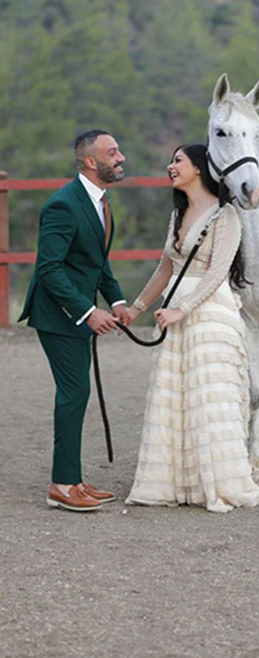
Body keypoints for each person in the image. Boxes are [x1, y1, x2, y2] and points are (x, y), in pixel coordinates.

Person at [124, 144, 259, 513]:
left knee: (210, 397)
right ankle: (176, 484)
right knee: (176, 398)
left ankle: (218, 483)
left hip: (209, 313)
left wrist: (182, 309)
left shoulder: (226, 216)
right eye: (171, 161)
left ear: (199, 168)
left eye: (178, 161)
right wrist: (137, 308)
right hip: (175, 314)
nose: (170, 166)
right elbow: (165, 267)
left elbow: (218, 272)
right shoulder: (178, 215)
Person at [19, 129, 134, 512]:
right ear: (89, 161)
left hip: (77, 314)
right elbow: (49, 268)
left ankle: (74, 480)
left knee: (76, 393)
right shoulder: (62, 205)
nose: (121, 157)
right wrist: (88, 311)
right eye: (112, 152)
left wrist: (116, 300)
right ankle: (63, 485)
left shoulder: (99, 201)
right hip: (58, 316)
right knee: (74, 393)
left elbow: (94, 261)